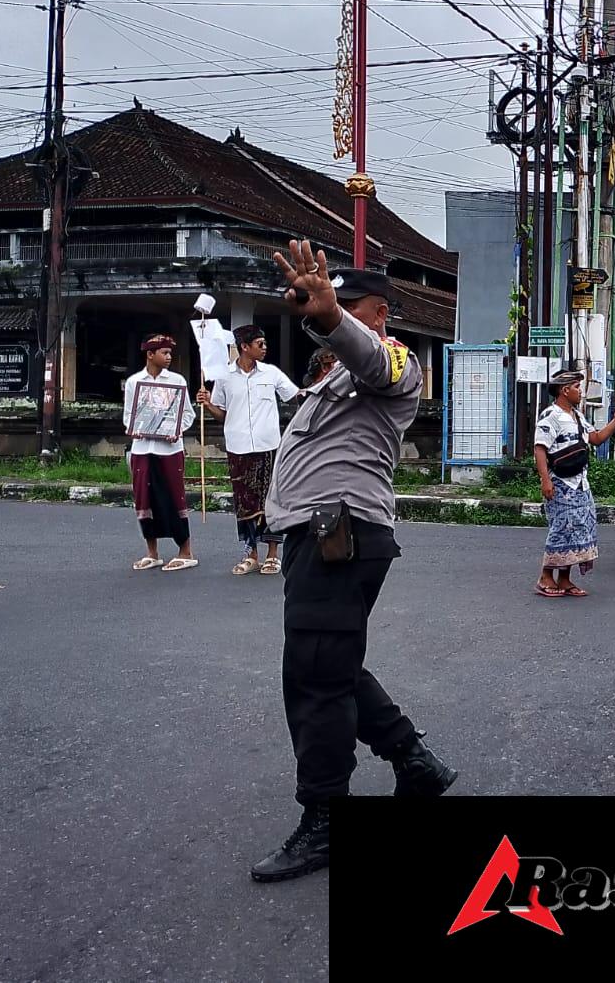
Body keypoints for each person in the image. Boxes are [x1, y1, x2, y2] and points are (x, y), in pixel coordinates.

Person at [250, 246, 457, 884]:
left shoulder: (393, 361)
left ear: (379, 314)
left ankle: (326, 818)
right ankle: (414, 762)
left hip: (341, 535)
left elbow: (369, 352)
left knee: (314, 676)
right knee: (329, 666)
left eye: (347, 306)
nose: (324, 315)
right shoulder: (331, 378)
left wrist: (335, 316)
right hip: (318, 536)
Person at [197, 324, 300, 577]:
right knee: (244, 502)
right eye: (260, 344)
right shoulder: (224, 377)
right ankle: (251, 552)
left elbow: (296, 396)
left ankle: (273, 554)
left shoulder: (271, 373)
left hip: (268, 446)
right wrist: (208, 403)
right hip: (238, 446)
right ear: (244, 346)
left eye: (265, 344)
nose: (265, 348)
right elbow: (222, 414)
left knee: (271, 500)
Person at [532, 368, 615, 598]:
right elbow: (540, 449)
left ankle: (564, 578)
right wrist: (545, 481)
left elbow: (595, 438)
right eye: (576, 387)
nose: (580, 392)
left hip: (581, 482)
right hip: (561, 482)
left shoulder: (579, 416)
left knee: (580, 529)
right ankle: (545, 576)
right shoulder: (550, 416)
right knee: (561, 529)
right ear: (565, 390)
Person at [123, 334, 197, 573]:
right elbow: (128, 416)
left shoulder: (177, 380)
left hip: (169, 450)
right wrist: (137, 428)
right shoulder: (135, 382)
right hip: (143, 448)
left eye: (170, 353)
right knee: (144, 499)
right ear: (150, 355)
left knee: (174, 497)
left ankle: (185, 551)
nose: (168, 357)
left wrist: (176, 430)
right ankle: (152, 552)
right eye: (164, 353)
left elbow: (187, 414)